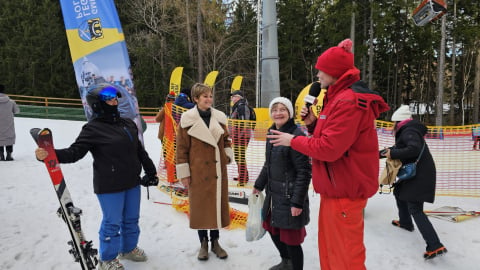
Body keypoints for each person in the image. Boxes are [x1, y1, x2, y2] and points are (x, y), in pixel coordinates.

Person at [266, 39, 389, 270]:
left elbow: (330, 149)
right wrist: (312, 124)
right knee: (331, 251)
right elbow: (333, 139)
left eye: (322, 70)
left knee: (345, 257)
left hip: (345, 191)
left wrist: (293, 140)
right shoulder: (336, 97)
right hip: (335, 190)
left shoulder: (349, 101)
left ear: (334, 72)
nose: (318, 75)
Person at [34, 84, 159, 270]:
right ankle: (107, 258)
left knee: (131, 219)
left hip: (132, 181)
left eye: (115, 98)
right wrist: (50, 154)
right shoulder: (93, 129)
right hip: (109, 185)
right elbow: (74, 153)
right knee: (112, 222)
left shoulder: (128, 124)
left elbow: (140, 151)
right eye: (109, 99)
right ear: (97, 105)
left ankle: (128, 248)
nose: (114, 102)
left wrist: (151, 172)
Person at [176, 83, 234, 261]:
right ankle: (203, 243)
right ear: (195, 99)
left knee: (216, 207)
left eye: (210, 96)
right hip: (197, 172)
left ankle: (215, 242)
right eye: (204, 96)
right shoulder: (187, 119)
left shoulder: (220, 117)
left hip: (217, 170)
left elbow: (226, 139)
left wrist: (227, 155)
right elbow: (181, 149)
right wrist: (184, 173)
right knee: (201, 208)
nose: (209, 99)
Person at [380, 105, 447, 260]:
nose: (392, 127)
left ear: (399, 122)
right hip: (417, 173)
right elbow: (398, 147)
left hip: (420, 175)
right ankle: (405, 222)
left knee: (415, 208)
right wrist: (378, 154)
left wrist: (393, 153)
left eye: (394, 123)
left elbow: (413, 149)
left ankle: (435, 245)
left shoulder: (409, 131)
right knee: (399, 192)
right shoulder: (408, 130)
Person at [253, 97, 311, 270]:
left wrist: (297, 201)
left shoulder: (296, 135)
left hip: (290, 196)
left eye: (282, 109)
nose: (278, 113)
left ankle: (295, 266)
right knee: (272, 229)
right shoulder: (271, 132)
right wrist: (258, 184)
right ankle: (286, 261)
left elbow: (304, 171)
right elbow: (268, 164)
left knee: (292, 240)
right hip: (273, 195)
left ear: (290, 112)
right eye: (275, 109)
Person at [230, 90, 254, 186]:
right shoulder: (238, 106)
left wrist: (239, 136)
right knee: (238, 156)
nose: (232, 98)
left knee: (239, 156)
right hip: (239, 135)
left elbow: (244, 122)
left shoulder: (241, 107)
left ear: (239, 97)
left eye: (233, 96)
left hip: (241, 136)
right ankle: (242, 176)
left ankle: (243, 178)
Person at [0, 84, 20, 161]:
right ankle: (9, 154)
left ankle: (1, 155)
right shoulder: (11, 102)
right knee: (9, 137)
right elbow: (17, 111)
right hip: (8, 124)